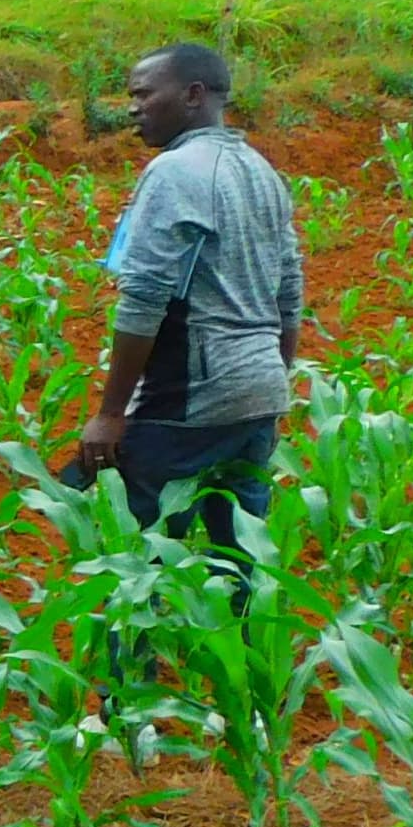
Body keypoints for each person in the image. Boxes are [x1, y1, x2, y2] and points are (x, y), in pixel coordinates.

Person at [70, 42, 305, 562]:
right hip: (258, 395)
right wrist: (273, 382)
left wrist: (110, 414)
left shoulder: (173, 173)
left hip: (188, 398)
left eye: (144, 94)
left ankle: (137, 647)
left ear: (194, 94)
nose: (132, 107)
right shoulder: (263, 171)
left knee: (143, 566)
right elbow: (290, 295)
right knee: (240, 559)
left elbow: (145, 299)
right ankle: (245, 643)